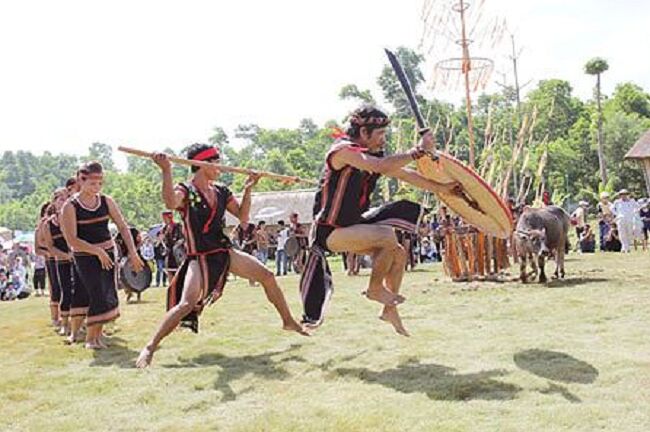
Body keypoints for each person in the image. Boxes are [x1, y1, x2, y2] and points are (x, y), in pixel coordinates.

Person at [136, 143, 306, 368]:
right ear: (201, 164)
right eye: (216, 163)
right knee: (186, 303)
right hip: (199, 256)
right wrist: (166, 170)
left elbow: (243, 216)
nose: (220, 167)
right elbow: (170, 202)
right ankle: (150, 347)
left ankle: (288, 321)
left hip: (223, 251)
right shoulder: (185, 191)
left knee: (266, 275)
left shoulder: (221, 191)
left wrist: (248, 189)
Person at [300, 105, 460, 336]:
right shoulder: (342, 152)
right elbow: (379, 166)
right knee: (387, 235)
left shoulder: (372, 156)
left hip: (352, 226)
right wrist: (418, 151)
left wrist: (442, 188)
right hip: (328, 231)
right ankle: (375, 289)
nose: (384, 139)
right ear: (363, 133)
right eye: (380, 134)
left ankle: (389, 310)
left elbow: (405, 174)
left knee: (398, 253)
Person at [61, 161, 144, 349]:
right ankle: (90, 339)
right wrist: (97, 251)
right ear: (80, 180)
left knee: (107, 292)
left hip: (108, 253)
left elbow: (123, 227)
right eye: (92, 183)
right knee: (96, 292)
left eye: (100, 183)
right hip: (85, 256)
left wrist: (133, 253)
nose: (96, 187)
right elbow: (72, 239)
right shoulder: (70, 206)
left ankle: (97, 336)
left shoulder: (107, 201)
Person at [43, 188, 75, 336]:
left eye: (66, 198)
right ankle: (64, 324)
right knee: (65, 291)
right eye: (61, 199)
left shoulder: (74, 217)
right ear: (54, 202)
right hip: (62, 260)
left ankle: (80, 322)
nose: (64, 201)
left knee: (80, 290)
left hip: (78, 257)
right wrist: (66, 256)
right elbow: (50, 247)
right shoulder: (48, 224)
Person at [161, 211, 184, 280]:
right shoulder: (164, 229)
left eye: (165, 218)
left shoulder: (178, 226)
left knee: (179, 271)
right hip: (169, 253)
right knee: (169, 271)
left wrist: (177, 244)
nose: (164, 220)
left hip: (177, 253)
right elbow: (163, 241)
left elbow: (182, 238)